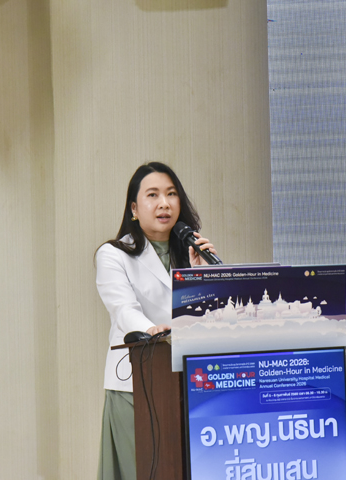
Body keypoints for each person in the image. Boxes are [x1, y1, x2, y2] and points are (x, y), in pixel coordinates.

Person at [95, 162, 218, 480]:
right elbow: (123, 309)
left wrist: (203, 275)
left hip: (191, 383)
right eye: (153, 195)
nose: (164, 203)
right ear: (134, 209)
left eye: (171, 194)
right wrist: (152, 330)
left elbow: (207, 318)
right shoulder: (114, 254)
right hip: (136, 384)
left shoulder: (191, 252)